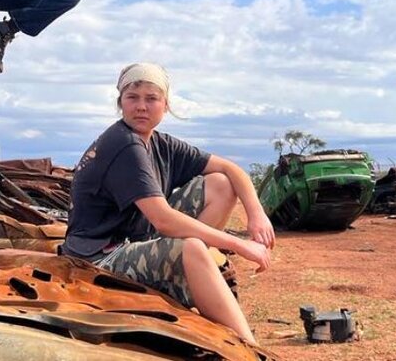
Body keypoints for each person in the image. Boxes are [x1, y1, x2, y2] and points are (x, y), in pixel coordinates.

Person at [62, 62, 275, 345]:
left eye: (151, 99)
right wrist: (239, 244)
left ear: (165, 104)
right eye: (132, 98)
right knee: (191, 247)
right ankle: (249, 348)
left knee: (221, 185)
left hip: (136, 238)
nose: (141, 107)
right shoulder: (124, 144)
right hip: (98, 256)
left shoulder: (161, 144)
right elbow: (163, 219)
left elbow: (231, 169)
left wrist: (256, 214)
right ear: (120, 103)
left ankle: (189, 275)